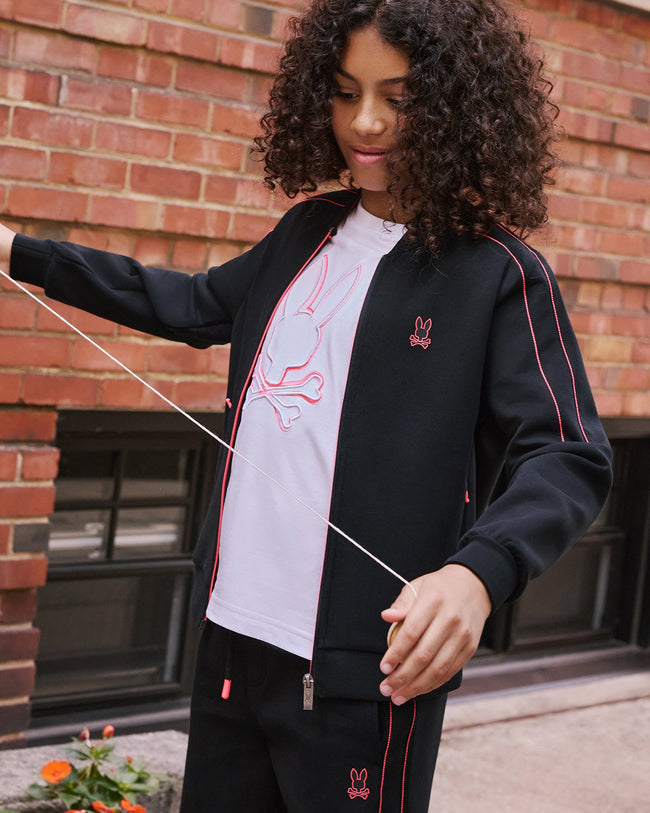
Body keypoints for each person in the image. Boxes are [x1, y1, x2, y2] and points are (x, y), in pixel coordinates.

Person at [0, 0, 612, 810]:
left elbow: (568, 452)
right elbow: (188, 303)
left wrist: (477, 574)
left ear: (460, 107)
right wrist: (18, 252)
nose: (365, 121)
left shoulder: (498, 272)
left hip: (369, 670)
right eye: (344, 91)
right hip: (232, 640)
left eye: (400, 98)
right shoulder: (307, 230)